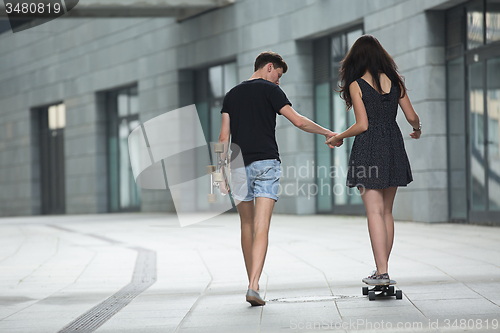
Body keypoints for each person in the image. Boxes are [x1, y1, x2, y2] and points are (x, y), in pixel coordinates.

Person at [218, 51, 343, 306]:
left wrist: (219, 175)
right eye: (279, 75)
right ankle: (254, 284)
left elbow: (222, 139)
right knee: (262, 226)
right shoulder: (271, 91)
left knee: (246, 226)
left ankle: (251, 283)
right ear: (269, 67)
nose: (278, 81)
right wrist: (327, 132)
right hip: (266, 163)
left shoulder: (231, 95)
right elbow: (298, 121)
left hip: (238, 166)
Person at [326, 35, 421, 285]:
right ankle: (383, 269)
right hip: (393, 145)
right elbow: (411, 116)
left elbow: (362, 125)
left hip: (369, 147)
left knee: (374, 212)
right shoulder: (395, 82)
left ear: (357, 59)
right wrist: (418, 128)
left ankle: (382, 272)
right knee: (386, 212)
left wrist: (339, 136)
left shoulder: (357, 84)